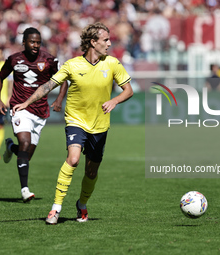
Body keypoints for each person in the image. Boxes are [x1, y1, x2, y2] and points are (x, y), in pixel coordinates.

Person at [12, 22, 133, 223]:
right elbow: (48, 85)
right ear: (93, 42)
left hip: (100, 125)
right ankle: (56, 208)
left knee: (91, 171)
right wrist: (26, 102)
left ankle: (82, 204)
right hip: (76, 121)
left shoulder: (112, 64)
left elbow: (128, 90)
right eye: (105, 40)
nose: (110, 44)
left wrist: (114, 100)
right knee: (74, 159)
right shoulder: (72, 65)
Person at [0, 27, 68, 202]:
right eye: (32, 42)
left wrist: (59, 100)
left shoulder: (49, 60)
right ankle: (25, 190)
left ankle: (11, 147)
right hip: (20, 109)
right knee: (25, 143)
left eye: (38, 42)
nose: (35, 45)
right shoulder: (14, 59)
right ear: (24, 42)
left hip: (40, 112)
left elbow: (63, 79)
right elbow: (0, 78)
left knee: (25, 154)